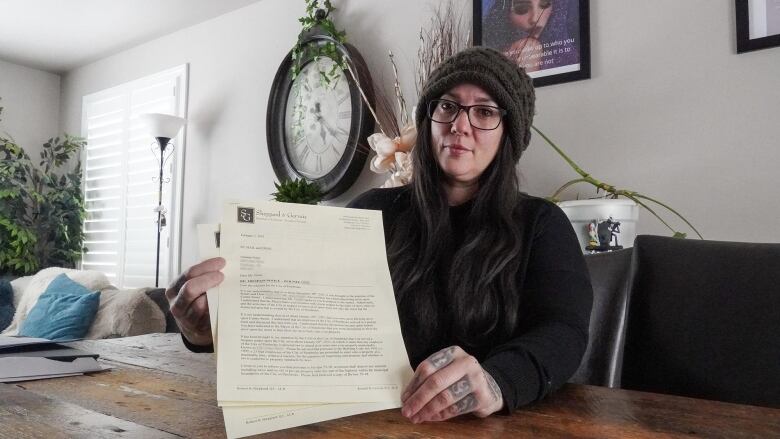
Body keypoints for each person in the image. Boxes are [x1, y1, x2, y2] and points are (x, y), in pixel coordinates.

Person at [166, 47, 592, 424]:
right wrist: (208, 327)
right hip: (363, 424)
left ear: (508, 133)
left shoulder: (541, 224)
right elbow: (300, 309)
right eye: (448, 106)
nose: (460, 125)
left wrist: (497, 380)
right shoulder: (370, 212)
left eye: (484, 111)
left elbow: (564, 332)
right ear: (428, 120)